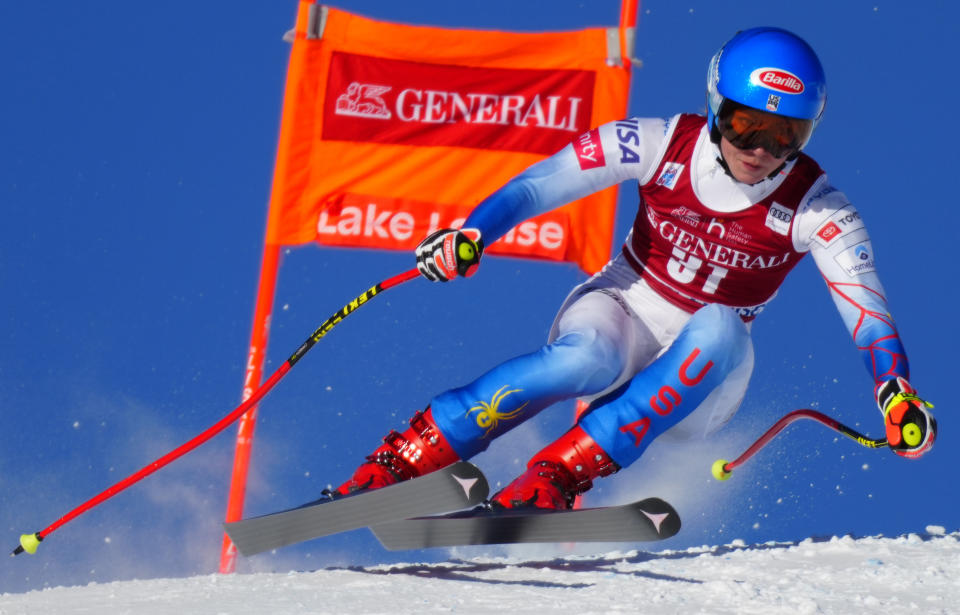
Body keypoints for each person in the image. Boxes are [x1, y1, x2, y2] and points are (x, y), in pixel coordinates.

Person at [332, 27, 936, 509]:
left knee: (722, 324)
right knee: (583, 358)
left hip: (708, 373)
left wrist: (894, 391)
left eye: (786, 135)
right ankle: (405, 459)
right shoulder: (658, 142)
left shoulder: (817, 207)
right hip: (625, 302)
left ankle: (558, 476)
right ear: (715, 105)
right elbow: (541, 186)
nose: (760, 150)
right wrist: (473, 232)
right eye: (746, 123)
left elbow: (867, 313)